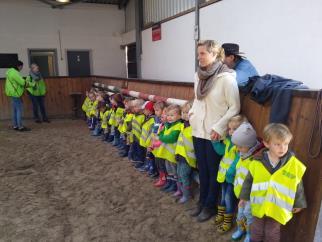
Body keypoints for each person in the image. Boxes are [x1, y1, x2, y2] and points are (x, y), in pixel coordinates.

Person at [189, 40, 240, 222]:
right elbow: (197, 99)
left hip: (215, 134)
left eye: (202, 53)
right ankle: (201, 202)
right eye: (198, 53)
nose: (199, 57)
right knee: (201, 168)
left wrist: (219, 127)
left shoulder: (226, 79)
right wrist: (192, 113)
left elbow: (235, 108)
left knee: (212, 171)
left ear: (214, 54)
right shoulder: (198, 76)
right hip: (198, 130)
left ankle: (210, 206)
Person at [239, 123, 307, 242]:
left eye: (285, 144)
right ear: (266, 143)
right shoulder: (257, 162)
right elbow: (248, 181)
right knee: (256, 230)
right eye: (277, 144)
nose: (282, 148)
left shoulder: (293, 165)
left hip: (277, 207)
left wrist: (299, 202)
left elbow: (297, 184)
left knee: (272, 232)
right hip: (259, 205)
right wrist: (243, 198)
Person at [213, 115, 247, 234]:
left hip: (232, 178)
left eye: (234, 129)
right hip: (224, 175)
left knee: (228, 199)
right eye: (229, 129)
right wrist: (215, 142)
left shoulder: (241, 145)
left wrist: (230, 172)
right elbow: (221, 151)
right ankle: (221, 214)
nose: (230, 132)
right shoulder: (229, 141)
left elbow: (238, 160)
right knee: (223, 196)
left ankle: (228, 221)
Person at [231, 122, 263, 242]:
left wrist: (245, 197)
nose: (237, 148)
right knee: (240, 214)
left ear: (249, 145)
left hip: (250, 196)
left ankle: (250, 234)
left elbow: (253, 181)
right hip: (241, 193)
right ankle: (240, 229)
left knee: (249, 215)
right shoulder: (243, 153)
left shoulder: (255, 160)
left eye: (240, 146)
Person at [158, 104, 183, 193]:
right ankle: (170, 183)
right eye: (168, 115)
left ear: (179, 116)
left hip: (173, 155)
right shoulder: (168, 125)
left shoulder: (178, 126)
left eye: (172, 115)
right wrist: (161, 135)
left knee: (175, 172)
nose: (169, 117)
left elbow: (170, 138)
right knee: (169, 170)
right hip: (167, 154)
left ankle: (177, 188)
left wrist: (160, 135)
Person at [174, 101, 196, 204]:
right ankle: (182, 192)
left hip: (187, 158)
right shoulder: (183, 125)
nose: (184, 115)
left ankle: (186, 195)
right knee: (179, 174)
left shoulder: (194, 128)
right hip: (180, 155)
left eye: (187, 112)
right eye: (183, 112)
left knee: (184, 176)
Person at [5, 60, 31, 131]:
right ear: (18, 66)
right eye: (21, 67)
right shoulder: (15, 73)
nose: (21, 68)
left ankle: (15, 125)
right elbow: (22, 83)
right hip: (16, 93)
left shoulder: (10, 72)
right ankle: (20, 127)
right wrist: (28, 82)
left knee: (14, 110)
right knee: (19, 110)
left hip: (12, 93)